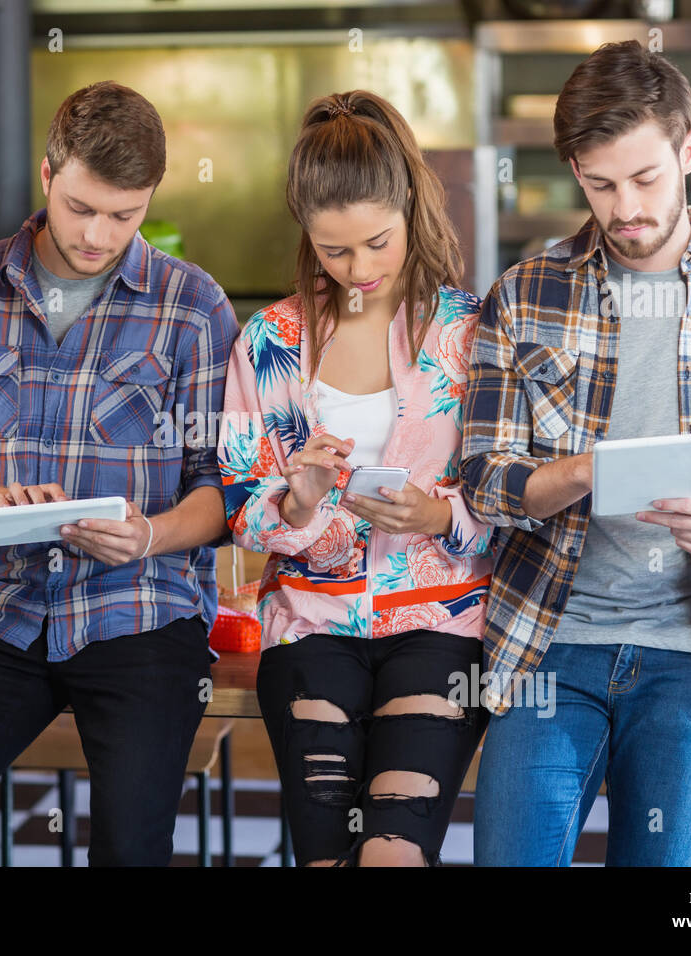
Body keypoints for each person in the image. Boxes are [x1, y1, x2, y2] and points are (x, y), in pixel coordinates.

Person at [460, 41, 691, 866]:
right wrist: (579, 475)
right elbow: (482, 479)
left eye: (645, 179)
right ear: (574, 172)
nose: (624, 207)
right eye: (600, 185)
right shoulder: (524, 294)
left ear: (688, 150)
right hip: (547, 642)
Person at [0, 81, 239, 866]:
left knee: (131, 849)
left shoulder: (193, 305)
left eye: (125, 214)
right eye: (81, 208)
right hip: (4, 604)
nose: (99, 235)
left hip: (141, 608)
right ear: (47, 175)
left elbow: (221, 486)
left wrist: (148, 536)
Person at [217, 90, 493, 867]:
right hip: (309, 625)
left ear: (410, 206)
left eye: (377, 243)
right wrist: (297, 501)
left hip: (440, 625)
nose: (360, 270)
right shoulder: (270, 341)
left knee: (393, 855)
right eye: (334, 251)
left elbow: (515, 493)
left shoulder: (471, 334)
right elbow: (241, 506)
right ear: (306, 231)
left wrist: (440, 519)